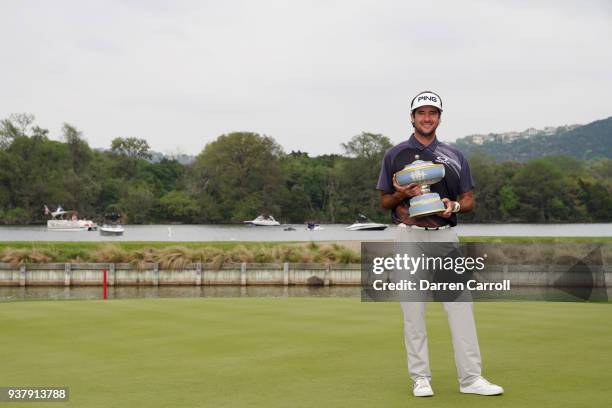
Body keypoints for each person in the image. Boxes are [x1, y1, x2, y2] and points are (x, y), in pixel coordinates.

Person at [376, 91, 504, 397]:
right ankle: (420, 378)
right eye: (421, 113)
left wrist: (454, 207)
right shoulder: (394, 155)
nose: (426, 118)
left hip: (446, 238)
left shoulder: (454, 155)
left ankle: (471, 378)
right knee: (413, 311)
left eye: (432, 113)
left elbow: (469, 199)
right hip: (409, 237)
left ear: (439, 118)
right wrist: (403, 195)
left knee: (460, 308)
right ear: (412, 117)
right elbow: (384, 202)